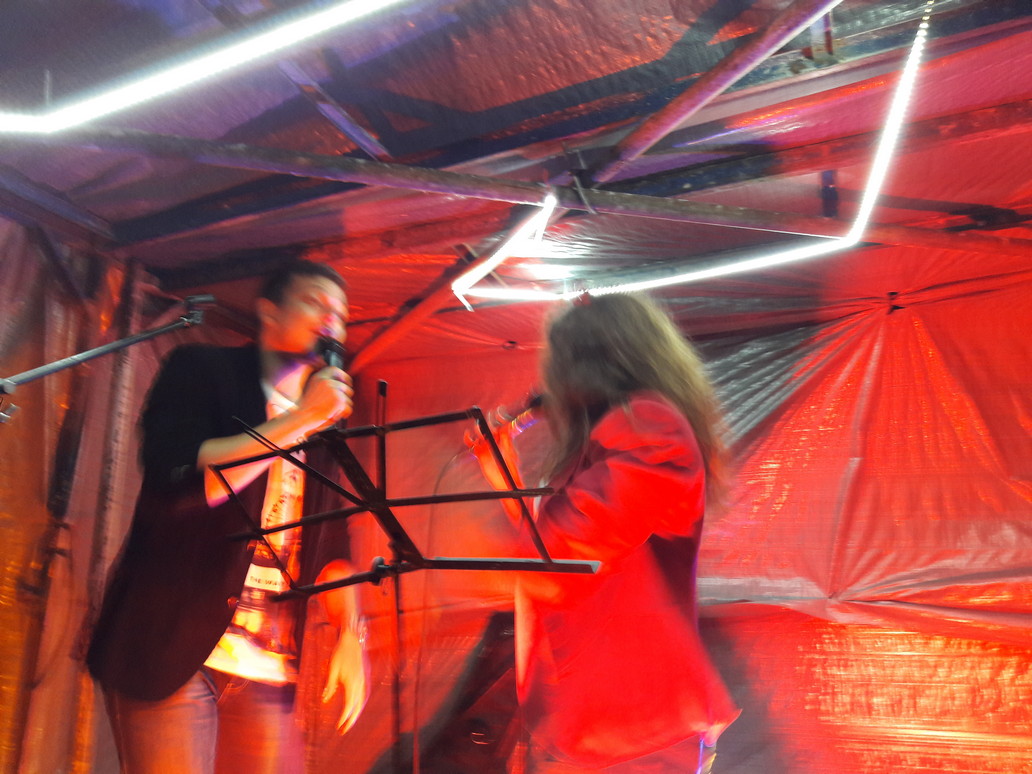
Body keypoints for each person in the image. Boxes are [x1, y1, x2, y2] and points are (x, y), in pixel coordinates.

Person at [87, 259, 368, 774]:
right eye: (316, 303)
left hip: (268, 662)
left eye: (341, 314)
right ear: (269, 312)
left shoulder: (329, 420)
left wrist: (351, 633)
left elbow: (332, 538)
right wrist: (299, 419)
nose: (332, 320)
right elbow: (184, 485)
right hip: (174, 649)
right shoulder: (202, 370)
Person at [470, 293, 740, 774]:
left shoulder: (649, 427)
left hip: (633, 722)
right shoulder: (611, 439)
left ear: (587, 365)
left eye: (557, 364)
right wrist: (504, 477)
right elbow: (558, 550)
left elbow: (561, 561)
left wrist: (471, 556)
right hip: (596, 718)